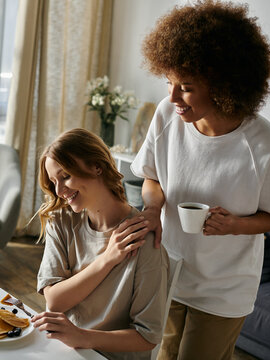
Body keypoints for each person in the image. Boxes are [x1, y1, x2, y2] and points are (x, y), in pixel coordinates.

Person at [131, 1, 270, 360]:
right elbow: (151, 178)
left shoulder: (264, 144)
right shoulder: (166, 115)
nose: (172, 98)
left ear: (222, 84)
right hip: (170, 272)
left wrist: (233, 224)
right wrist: (153, 207)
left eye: (185, 87)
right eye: (169, 83)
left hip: (224, 289)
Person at [32, 128, 169, 360]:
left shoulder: (142, 239)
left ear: (97, 166)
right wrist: (106, 260)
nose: (59, 190)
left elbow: (147, 337)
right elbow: (54, 301)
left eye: (65, 176)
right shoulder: (62, 222)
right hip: (68, 349)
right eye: (54, 181)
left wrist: (83, 337)